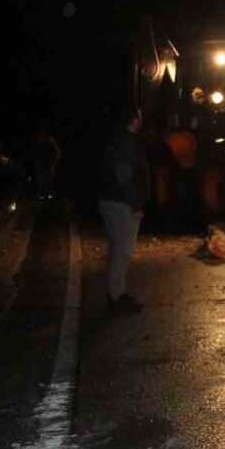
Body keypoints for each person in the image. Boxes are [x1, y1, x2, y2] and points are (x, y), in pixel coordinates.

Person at [98, 105, 150, 312]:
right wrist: (136, 204)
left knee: (116, 250)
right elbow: (124, 175)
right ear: (134, 120)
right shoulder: (127, 144)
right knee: (122, 252)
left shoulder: (116, 140)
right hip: (122, 204)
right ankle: (117, 297)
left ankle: (115, 293)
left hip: (111, 201)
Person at [32, 126, 62, 200]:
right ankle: (42, 199)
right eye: (40, 135)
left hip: (48, 167)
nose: (41, 136)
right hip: (42, 167)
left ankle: (48, 199)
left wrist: (53, 165)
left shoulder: (49, 144)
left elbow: (58, 154)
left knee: (48, 185)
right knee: (42, 185)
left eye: (42, 135)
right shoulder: (39, 145)